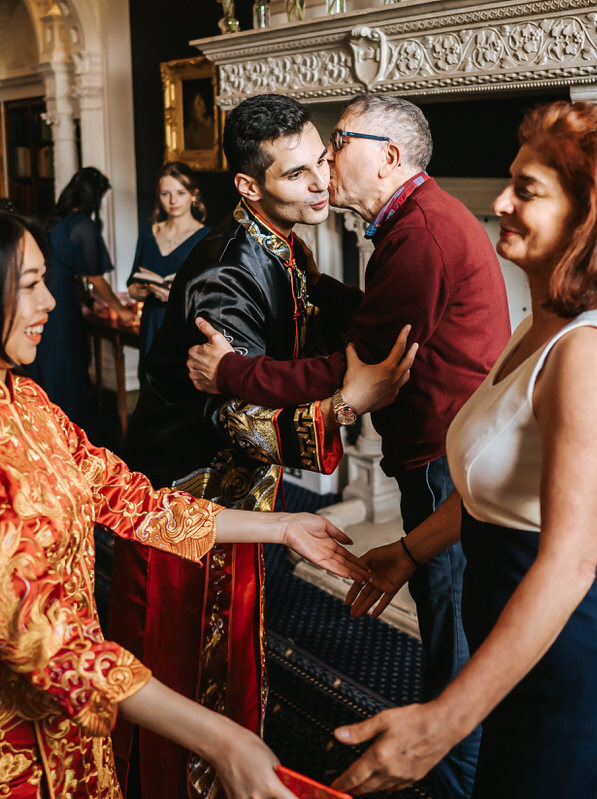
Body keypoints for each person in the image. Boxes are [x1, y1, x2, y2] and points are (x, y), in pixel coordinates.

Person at [0, 195, 369, 798]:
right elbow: (44, 638)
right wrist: (223, 739)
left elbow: (133, 501)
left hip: (80, 721)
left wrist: (283, 527)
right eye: (27, 285)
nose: (49, 301)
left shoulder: (26, 401)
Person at [330, 101, 597, 798]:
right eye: (509, 183)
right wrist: (407, 552)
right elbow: (499, 488)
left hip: (589, 666)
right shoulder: (543, 325)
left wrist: (443, 721)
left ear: (591, 217)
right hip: (528, 654)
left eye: (526, 190)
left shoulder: (592, 351)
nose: (499, 203)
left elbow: (569, 564)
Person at [187, 93, 509, 799]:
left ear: (389, 157)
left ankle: (452, 782)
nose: (328, 163)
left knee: (453, 653)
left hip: (447, 467)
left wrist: (231, 370)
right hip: (448, 454)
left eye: (337, 144)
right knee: (448, 636)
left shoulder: (419, 234)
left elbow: (354, 369)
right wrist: (311, 284)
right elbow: (373, 319)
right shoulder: (415, 223)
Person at [109, 94, 415, 799]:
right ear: (249, 186)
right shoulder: (225, 269)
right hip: (183, 494)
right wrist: (350, 400)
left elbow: (313, 297)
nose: (320, 183)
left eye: (321, 164)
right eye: (295, 175)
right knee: (182, 657)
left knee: (235, 637)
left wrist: (395, 308)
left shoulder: (279, 239)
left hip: (235, 490)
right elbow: (234, 415)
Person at [27, 166, 135, 430]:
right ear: (93, 196)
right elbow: (95, 278)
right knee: (67, 367)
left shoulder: (56, 219)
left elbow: (72, 271)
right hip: (61, 304)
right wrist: (121, 311)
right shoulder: (82, 224)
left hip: (44, 297)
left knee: (50, 365)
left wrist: (89, 301)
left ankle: (45, 427)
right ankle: (67, 433)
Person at [127, 162, 211, 367]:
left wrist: (177, 294)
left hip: (184, 326)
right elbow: (131, 286)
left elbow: (213, 294)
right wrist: (140, 291)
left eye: (180, 193)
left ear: (194, 195)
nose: (173, 200)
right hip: (152, 322)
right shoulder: (148, 234)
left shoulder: (207, 238)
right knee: (148, 386)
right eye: (165, 194)